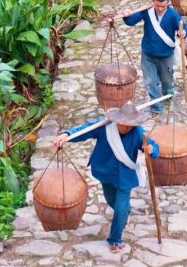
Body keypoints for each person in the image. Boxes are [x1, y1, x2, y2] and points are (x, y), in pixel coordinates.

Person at [53, 102, 159, 254]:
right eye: (123, 124)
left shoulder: (137, 133)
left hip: (124, 176)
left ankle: (115, 238)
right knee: (111, 200)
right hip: (105, 171)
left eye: (130, 125)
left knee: (121, 207)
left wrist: (151, 149)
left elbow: (152, 146)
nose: (126, 127)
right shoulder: (105, 127)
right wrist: (67, 135)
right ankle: (124, 215)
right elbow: (85, 131)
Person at [123, 0, 187, 116]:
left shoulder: (173, 15)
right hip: (148, 54)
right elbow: (131, 21)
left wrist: (183, 33)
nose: (159, 9)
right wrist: (126, 15)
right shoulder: (147, 12)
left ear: (168, 3)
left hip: (165, 55)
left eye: (163, 6)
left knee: (167, 81)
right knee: (150, 82)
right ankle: (157, 108)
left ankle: (167, 95)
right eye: (157, 5)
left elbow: (183, 28)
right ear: (153, 1)